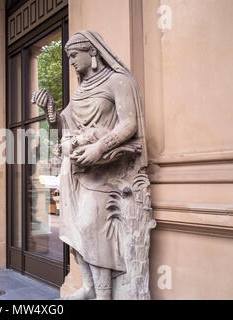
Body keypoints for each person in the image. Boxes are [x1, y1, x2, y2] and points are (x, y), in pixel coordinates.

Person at [32, 30, 149, 300]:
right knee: (75, 230)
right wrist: (52, 111)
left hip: (106, 172)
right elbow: (66, 126)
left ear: (92, 52)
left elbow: (129, 124)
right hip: (75, 171)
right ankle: (90, 288)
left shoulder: (119, 81)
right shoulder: (81, 90)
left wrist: (100, 147)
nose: (71, 61)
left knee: (91, 228)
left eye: (74, 55)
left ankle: (104, 294)